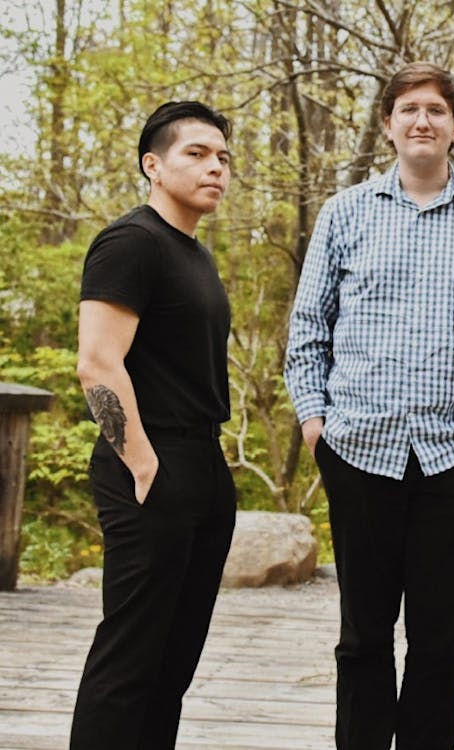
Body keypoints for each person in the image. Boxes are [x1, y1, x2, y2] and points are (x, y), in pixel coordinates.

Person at [284, 62, 454, 749]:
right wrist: (315, 425)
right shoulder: (345, 213)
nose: (422, 120)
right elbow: (308, 332)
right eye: (408, 108)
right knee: (362, 637)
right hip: (359, 451)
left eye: (437, 110)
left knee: (439, 643)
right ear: (387, 124)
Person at [71, 101, 237, 748]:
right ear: (153, 164)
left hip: (202, 463)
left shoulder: (194, 255)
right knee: (129, 663)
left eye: (223, 156)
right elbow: (97, 364)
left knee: (172, 668)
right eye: (196, 153)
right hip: (150, 465)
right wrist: (144, 463)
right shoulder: (130, 243)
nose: (215, 166)